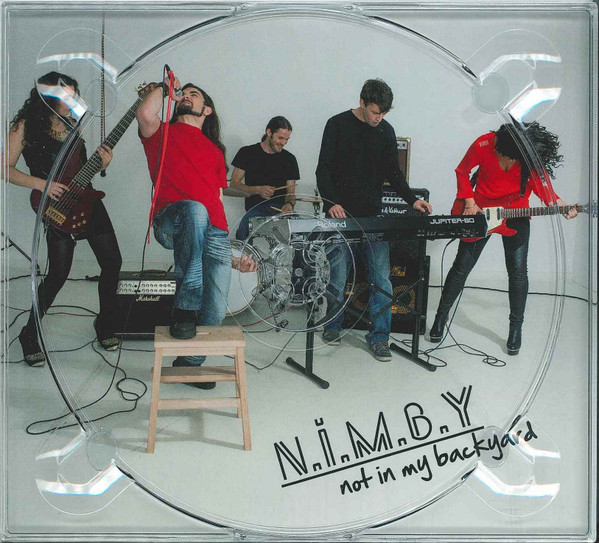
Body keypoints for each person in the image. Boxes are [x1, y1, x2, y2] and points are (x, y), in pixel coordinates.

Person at [136, 76, 256, 387]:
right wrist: (166, 89)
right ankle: (185, 308)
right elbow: (145, 113)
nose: (187, 96)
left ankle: (188, 365)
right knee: (195, 210)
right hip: (171, 220)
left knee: (215, 309)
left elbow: (216, 200)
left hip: (213, 231)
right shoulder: (162, 132)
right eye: (184, 94)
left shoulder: (215, 151)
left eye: (194, 94)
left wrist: (232, 259)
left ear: (208, 110)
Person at [429, 122, 578, 355]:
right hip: (480, 211)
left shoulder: (527, 156)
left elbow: (543, 188)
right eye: (503, 153)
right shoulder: (485, 143)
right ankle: (441, 317)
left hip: (516, 213)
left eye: (510, 157)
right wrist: (470, 203)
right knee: (461, 267)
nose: (505, 157)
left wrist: (560, 205)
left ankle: (515, 329)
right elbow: (462, 170)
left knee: (518, 273)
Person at [7, 71, 121, 367]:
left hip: (86, 198)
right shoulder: (25, 126)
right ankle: (29, 334)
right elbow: (5, 168)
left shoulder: (73, 123)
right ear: (47, 97)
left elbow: (78, 168)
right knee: (58, 273)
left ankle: (105, 324)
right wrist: (41, 185)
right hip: (55, 205)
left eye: (74, 94)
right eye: (66, 95)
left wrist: (103, 164)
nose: (73, 100)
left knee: (113, 262)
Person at [316, 78, 433, 362]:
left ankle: (380, 338)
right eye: (374, 112)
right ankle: (332, 326)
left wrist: (412, 200)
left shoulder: (385, 131)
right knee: (338, 274)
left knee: (382, 278)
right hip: (340, 215)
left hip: (372, 215)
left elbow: (393, 172)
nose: (378, 118)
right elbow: (323, 170)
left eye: (383, 113)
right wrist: (331, 203)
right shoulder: (337, 124)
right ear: (362, 102)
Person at [229, 116, 300, 241]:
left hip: (280, 210)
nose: (283, 143)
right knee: (242, 234)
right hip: (256, 209)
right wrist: (258, 190)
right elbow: (234, 185)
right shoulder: (246, 153)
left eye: (287, 139)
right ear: (269, 132)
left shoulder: (289, 159)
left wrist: (289, 204)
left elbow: (291, 193)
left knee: (300, 235)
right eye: (280, 138)